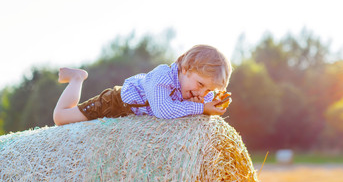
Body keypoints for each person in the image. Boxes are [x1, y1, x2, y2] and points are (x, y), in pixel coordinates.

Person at [53, 44, 232, 126]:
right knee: (61, 118)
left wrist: (214, 104)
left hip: (131, 116)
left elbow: (202, 105)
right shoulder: (162, 76)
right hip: (114, 104)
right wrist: (201, 108)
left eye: (209, 90)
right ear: (185, 68)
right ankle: (77, 78)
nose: (202, 93)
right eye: (200, 84)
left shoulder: (197, 89)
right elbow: (164, 111)